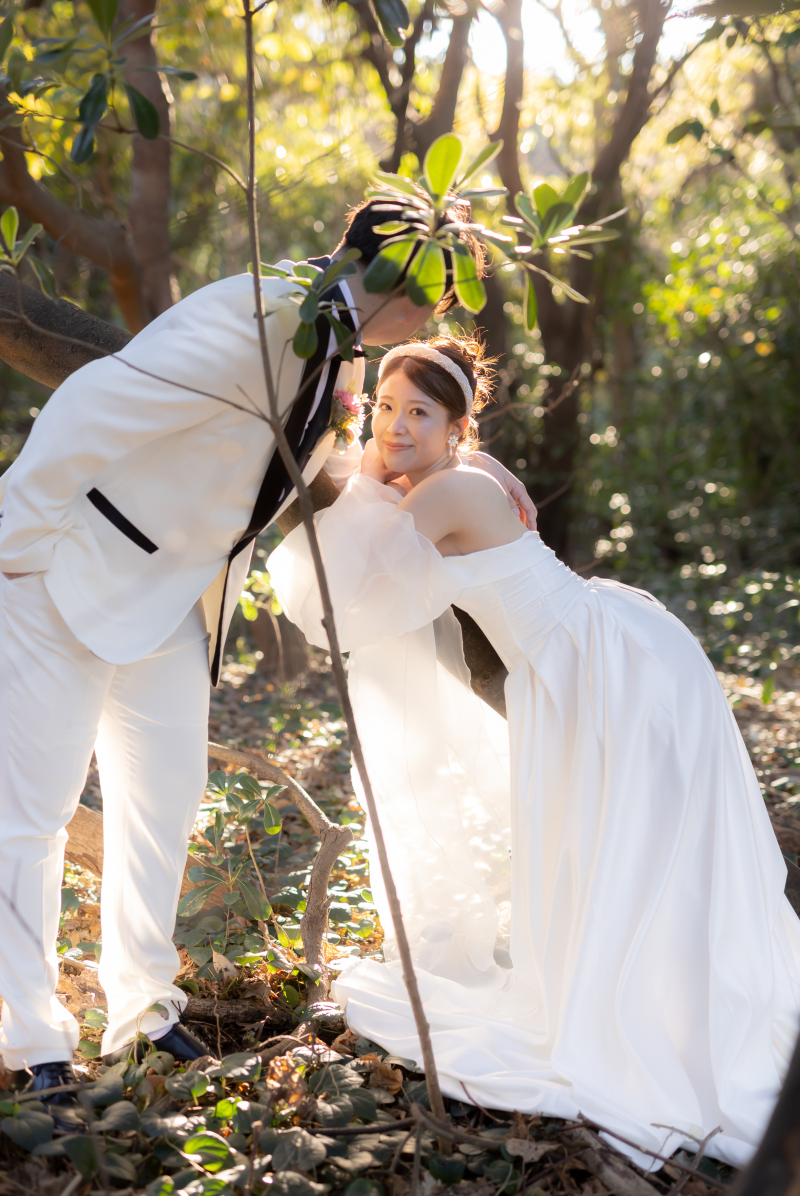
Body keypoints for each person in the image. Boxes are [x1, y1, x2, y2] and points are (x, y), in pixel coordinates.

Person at [0, 198, 535, 1122]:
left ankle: (140, 1008)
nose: (425, 319)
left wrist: (476, 472)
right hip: (65, 574)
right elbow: (92, 401)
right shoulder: (261, 318)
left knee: (163, 801)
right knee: (32, 815)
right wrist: (17, 545)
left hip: (174, 602)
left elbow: (303, 467)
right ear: (384, 280)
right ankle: (32, 1039)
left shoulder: (339, 344)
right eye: (423, 297)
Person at [268, 331, 800, 1171]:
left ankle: (666, 1021)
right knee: (618, 846)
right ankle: (668, 1002)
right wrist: (394, 459)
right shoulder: (457, 478)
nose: (396, 425)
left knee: (629, 846)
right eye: (384, 409)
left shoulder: (443, 494)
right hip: (598, 656)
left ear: (456, 429)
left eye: (419, 413)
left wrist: (366, 468)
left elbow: (346, 598)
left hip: (604, 675)